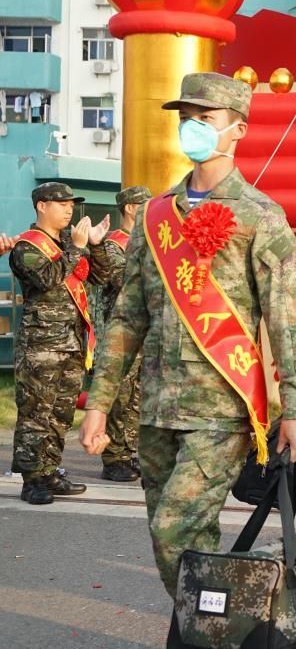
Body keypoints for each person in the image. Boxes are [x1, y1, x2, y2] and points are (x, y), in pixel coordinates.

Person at [80, 72, 296, 599]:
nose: (192, 127)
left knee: (176, 528)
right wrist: (98, 403)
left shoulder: (260, 216)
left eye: (206, 118)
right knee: (177, 537)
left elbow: (290, 320)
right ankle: (214, 622)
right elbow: (128, 317)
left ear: (237, 128)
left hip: (222, 408)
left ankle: (214, 626)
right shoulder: (155, 216)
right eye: (185, 118)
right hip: (156, 406)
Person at [11, 183, 113, 505]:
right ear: (42, 206)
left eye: (71, 204)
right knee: (36, 414)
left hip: (71, 343)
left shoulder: (71, 243)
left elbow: (101, 276)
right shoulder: (26, 247)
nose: (69, 209)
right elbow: (47, 278)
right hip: (41, 346)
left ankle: (50, 471)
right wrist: (77, 249)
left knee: (61, 414)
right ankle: (32, 480)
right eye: (62, 204)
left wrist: (94, 246)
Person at [98, 185, 153, 482]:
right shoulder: (113, 245)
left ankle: (130, 451)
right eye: (144, 204)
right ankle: (114, 457)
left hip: (145, 332)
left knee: (137, 396)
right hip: (122, 332)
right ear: (131, 208)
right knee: (119, 396)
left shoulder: (145, 242)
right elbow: (123, 281)